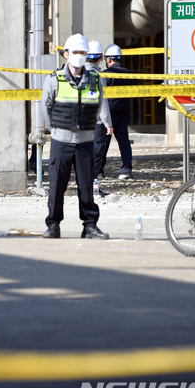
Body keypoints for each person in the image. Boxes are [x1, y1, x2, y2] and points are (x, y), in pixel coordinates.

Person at [40, 33, 109, 240]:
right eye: (75, 52)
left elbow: (98, 105)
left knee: (87, 185)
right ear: (66, 54)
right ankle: (53, 225)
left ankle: (89, 226)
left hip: (85, 142)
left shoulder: (95, 80)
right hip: (61, 141)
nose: (79, 56)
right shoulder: (54, 79)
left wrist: (88, 127)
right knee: (57, 186)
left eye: (82, 52)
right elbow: (46, 107)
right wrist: (56, 130)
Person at [97, 44, 134, 180]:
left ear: (109, 60)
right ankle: (126, 170)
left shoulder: (105, 75)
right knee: (124, 141)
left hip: (108, 112)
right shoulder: (129, 74)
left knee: (102, 142)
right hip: (124, 111)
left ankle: (99, 170)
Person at [85, 41, 114, 181]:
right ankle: (92, 186)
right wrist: (108, 123)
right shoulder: (97, 76)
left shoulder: (75, 72)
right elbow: (102, 102)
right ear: (101, 58)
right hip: (95, 123)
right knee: (96, 155)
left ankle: (84, 187)